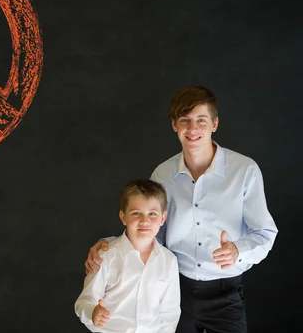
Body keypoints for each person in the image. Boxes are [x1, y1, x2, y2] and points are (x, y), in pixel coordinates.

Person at [84, 86, 278, 333]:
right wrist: (108, 243)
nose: (193, 129)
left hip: (226, 293)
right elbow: (151, 231)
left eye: (201, 120)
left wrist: (237, 250)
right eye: (184, 120)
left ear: (214, 124)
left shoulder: (245, 170)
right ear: (174, 125)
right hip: (175, 290)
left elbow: (265, 232)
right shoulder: (162, 174)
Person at [75, 179, 181, 332]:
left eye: (152, 213)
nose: (145, 221)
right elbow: (84, 301)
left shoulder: (169, 261)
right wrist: (92, 313)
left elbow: (169, 312)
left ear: (162, 218)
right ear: (123, 217)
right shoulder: (106, 257)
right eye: (136, 213)